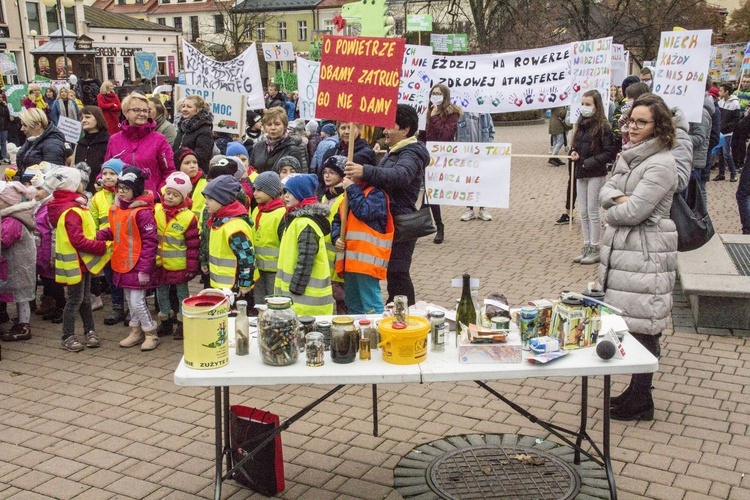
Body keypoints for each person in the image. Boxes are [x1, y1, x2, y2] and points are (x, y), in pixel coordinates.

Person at [599, 93, 678, 421]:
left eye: (641, 122)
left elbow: (634, 211)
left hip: (646, 254)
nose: (632, 127)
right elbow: (607, 190)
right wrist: (619, 199)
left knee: (645, 326)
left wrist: (614, 206)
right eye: (631, 120)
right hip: (626, 251)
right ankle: (636, 389)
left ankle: (642, 399)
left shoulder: (661, 164)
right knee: (629, 323)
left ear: (658, 127)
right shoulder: (630, 156)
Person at [344, 104, 429, 305]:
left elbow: (400, 176)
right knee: (393, 273)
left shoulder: (410, 153)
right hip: (391, 220)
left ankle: (406, 312)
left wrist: (365, 171)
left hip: (401, 220)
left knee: (398, 273)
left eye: (390, 126)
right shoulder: (396, 150)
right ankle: (398, 309)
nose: (384, 131)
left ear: (405, 130)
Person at [46, 167, 110, 351]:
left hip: (83, 261)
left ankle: (89, 331)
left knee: (85, 299)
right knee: (75, 300)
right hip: (77, 262)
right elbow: (79, 240)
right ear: (72, 186)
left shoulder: (75, 206)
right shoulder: (72, 211)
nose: (84, 184)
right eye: (80, 182)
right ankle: (67, 335)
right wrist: (101, 246)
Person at [98, 166, 160, 351]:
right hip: (123, 261)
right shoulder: (118, 209)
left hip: (138, 264)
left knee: (137, 301)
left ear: (136, 190)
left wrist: (145, 269)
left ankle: (150, 332)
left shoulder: (143, 212)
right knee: (130, 300)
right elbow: (119, 230)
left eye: (126, 188)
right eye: (120, 188)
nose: (121, 191)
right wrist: (104, 234)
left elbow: (150, 242)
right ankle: (135, 331)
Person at [332, 161, 392, 315]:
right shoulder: (349, 195)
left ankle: (376, 332)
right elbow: (338, 220)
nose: (349, 176)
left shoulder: (376, 194)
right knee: (353, 304)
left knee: (371, 303)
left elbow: (364, 212)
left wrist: (351, 189)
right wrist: (336, 237)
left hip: (366, 261)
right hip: (349, 260)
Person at [568, 90, 617, 265]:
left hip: (595, 172)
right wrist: (573, 152)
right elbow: (575, 145)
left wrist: (589, 162)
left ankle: (595, 246)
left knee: (592, 210)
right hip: (581, 171)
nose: (584, 107)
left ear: (597, 106)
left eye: (588, 104)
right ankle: (587, 244)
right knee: (583, 212)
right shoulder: (580, 124)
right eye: (583, 104)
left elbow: (609, 151)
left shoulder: (603, 127)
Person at [275, 174, 334, 316]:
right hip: (297, 300)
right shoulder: (295, 220)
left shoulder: (305, 223)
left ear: (301, 194)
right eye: (285, 192)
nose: (286, 196)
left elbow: (307, 257)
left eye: (291, 193)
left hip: (305, 302)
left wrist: (296, 288)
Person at [154, 172, 200, 340]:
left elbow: (193, 245)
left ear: (183, 197)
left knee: (182, 294)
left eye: (175, 195)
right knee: (161, 294)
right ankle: (165, 320)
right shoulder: (157, 210)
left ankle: (182, 323)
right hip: (160, 263)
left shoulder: (188, 217)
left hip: (179, 265)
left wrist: (191, 267)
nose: (170, 197)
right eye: (168, 193)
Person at [105, 92, 175, 197]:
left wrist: (158, 193)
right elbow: (106, 168)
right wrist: (101, 181)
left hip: (150, 202)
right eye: (136, 110)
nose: (142, 114)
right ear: (125, 112)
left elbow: (169, 171)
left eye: (145, 110)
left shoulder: (159, 140)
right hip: (121, 201)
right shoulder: (114, 140)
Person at [201, 175, 254, 296]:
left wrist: (245, 284)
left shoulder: (234, 227)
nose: (205, 202)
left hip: (235, 287)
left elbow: (246, 258)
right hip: (222, 285)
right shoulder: (218, 220)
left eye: (210, 199)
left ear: (223, 200)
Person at [421, 84, 461, 242]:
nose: (435, 96)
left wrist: (435, 117)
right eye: (433, 93)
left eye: (438, 93)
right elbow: (423, 135)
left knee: (430, 194)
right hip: (428, 157)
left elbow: (445, 134)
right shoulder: (427, 112)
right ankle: (429, 226)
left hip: (443, 159)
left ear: (445, 96)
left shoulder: (452, 113)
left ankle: (436, 226)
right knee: (429, 194)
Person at [91, 158, 126, 326]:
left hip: (125, 243)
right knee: (112, 277)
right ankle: (117, 306)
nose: (107, 177)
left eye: (112, 173)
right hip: (107, 245)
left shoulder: (126, 193)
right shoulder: (97, 197)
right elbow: (93, 221)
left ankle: (132, 308)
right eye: (104, 173)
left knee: (126, 275)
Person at [0, 181, 37, 341]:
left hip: (17, 265)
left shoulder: (12, 220)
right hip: (17, 263)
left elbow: (3, 240)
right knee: (20, 296)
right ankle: (21, 322)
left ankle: (23, 326)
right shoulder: (15, 216)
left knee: (21, 297)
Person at [250, 171, 286, 305]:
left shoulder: (281, 213)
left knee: (274, 303)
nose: (255, 193)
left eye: (259, 190)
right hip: (258, 268)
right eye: (254, 189)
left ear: (271, 192)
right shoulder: (257, 210)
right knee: (259, 302)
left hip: (274, 271)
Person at [319, 155, 347, 313]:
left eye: (332, 172)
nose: (327, 176)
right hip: (326, 253)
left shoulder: (345, 197)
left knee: (341, 297)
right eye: (325, 172)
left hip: (337, 252)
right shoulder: (325, 195)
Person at [457, 112, 495, 223]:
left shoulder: (485, 114)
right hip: (466, 154)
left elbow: (491, 131)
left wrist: (487, 146)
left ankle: (483, 208)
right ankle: (469, 208)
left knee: (481, 180)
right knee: (468, 181)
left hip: (481, 154)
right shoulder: (461, 114)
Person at [320, 122, 376, 194]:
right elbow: (321, 179)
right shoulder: (331, 152)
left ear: (359, 130)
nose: (346, 132)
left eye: (350, 128)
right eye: (343, 128)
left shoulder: (366, 154)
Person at [249, 108, 305, 173]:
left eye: (277, 124)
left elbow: (294, 177)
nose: (273, 128)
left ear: (285, 126)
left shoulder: (292, 150)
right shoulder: (258, 146)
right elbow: (251, 170)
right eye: (269, 124)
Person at [15, 108, 66, 176]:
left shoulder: (52, 145)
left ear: (37, 126)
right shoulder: (31, 141)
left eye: (25, 125)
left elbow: (52, 177)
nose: (22, 129)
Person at [173, 95, 215, 174]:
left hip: (195, 174)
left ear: (198, 110)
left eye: (189, 107)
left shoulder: (204, 131)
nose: (184, 109)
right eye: (183, 106)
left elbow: (201, 157)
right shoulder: (182, 128)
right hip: (179, 173)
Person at [75, 106, 111, 193]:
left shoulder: (109, 141)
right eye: (82, 118)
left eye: (87, 117)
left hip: (102, 191)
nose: (83, 120)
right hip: (82, 192)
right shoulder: (80, 143)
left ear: (98, 118)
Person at [716, 83, 740, 182]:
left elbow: (736, 119)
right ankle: (721, 173)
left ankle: (733, 173)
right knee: (720, 153)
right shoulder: (720, 102)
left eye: (721, 90)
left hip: (727, 133)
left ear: (727, 92)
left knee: (726, 154)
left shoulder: (735, 104)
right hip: (720, 132)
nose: (719, 92)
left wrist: (727, 127)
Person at [175, 147, 206, 219]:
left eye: (195, 162)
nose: (192, 166)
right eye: (187, 163)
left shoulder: (205, 184)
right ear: (178, 166)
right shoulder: (170, 185)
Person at [0, 93, 10, 164]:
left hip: (4, 126)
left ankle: (4, 157)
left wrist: (6, 106)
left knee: (3, 142)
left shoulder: (4, 105)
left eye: (1, 97)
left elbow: (6, 114)